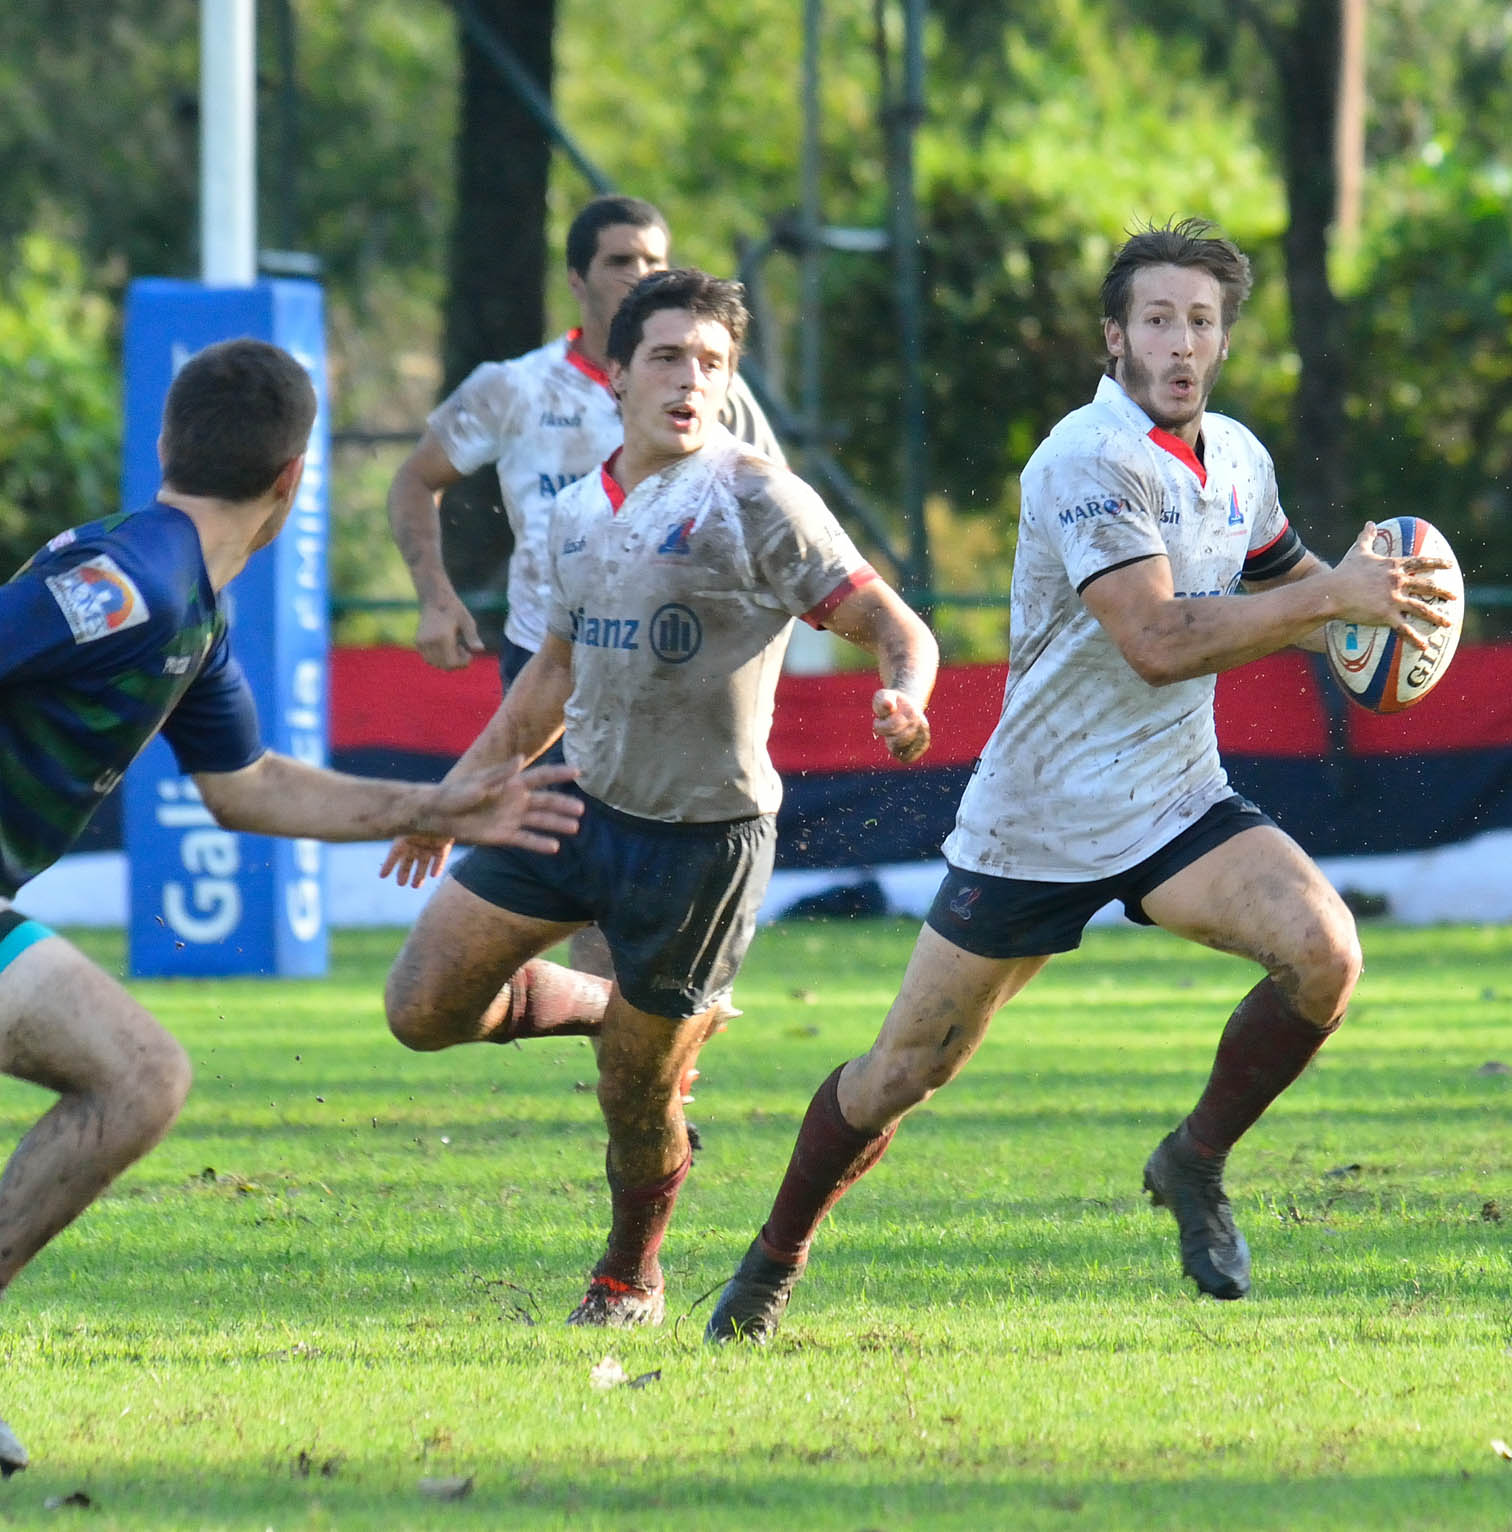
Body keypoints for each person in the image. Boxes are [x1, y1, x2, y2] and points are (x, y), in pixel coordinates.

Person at [705, 219, 1454, 1344]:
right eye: (1157, 319)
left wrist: (1373, 614)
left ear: (1225, 341)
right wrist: (1327, 605)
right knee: (905, 1069)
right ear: (1115, 339)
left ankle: (1192, 1160)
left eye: (1202, 321)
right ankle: (773, 1258)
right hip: (1037, 818)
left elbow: (1288, 578)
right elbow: (1154, 637)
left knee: (1324, 953)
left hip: (1174, 801)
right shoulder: (1082, 459)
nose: (1181, 342)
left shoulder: (1239, 457)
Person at [0, 339, 587, 1476]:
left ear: (169, 445)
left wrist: (440, 804)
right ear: (294, 478)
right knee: (138, 1075)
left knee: (140, 1075)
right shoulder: (134, 584)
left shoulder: (187, 607)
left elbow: (247, 786)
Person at [379, 268, 938, 1329]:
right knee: (420, 1005)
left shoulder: (757, 495)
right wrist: (455, 798)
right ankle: (613, 1004)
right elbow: (551, 676)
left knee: (634, 1100)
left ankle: (630, 1270)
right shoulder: (577, 508)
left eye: (715, 364)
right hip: (575, 806)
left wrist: (903, 693)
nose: (694, 381)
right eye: (671, 357)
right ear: (618, 373)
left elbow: (896, 624)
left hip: (700, 848)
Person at [387, 194, 782, 1035]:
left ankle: (653, 1068)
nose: (643, 274)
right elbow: (414, 479)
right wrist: (435, 594)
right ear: (576, 278)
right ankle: (643, 1040)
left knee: (628, 888)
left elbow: (777, 514)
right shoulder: (515, 387)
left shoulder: (716, 388)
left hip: (677, 671)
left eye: (655, 260)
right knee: (579, 878)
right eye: (621, 261)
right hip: (553, 657)